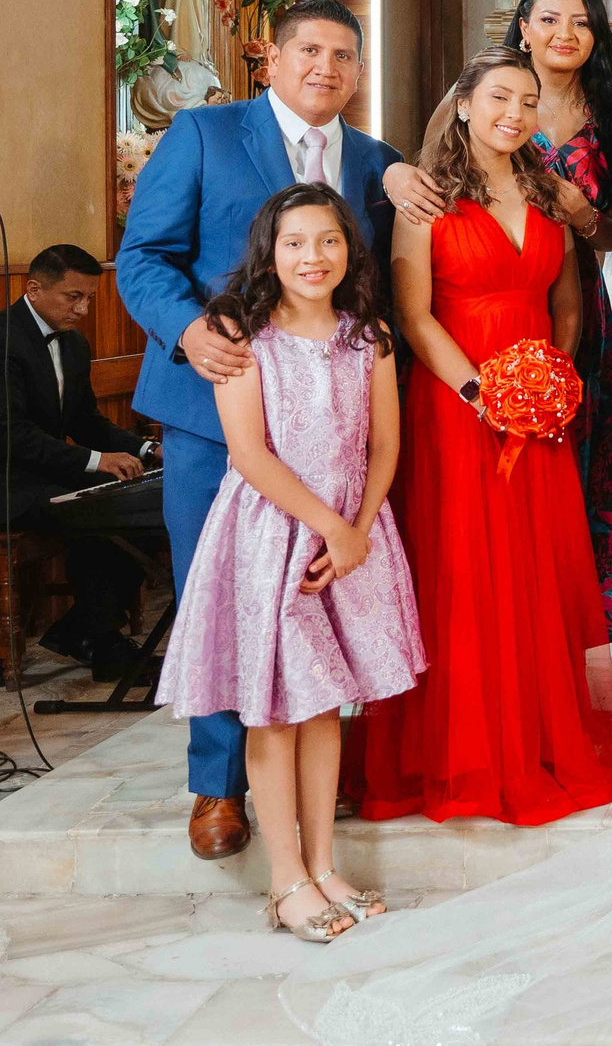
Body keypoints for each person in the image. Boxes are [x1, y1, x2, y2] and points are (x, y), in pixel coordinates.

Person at [119, 0, 441, 861]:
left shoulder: (378, 164)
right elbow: (142, 255)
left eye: (343, 54)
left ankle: (316, 785)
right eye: (308, 49)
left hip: (329, 431)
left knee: (319, 601)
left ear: (359, 70)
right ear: (272, 58)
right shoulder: (204, 132)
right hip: (215, 411)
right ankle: (218, 787)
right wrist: (189, 330)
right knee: (222, 597)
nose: (324, 67)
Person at [351, 47, 612, 825]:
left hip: (537, 414)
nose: (516, 112)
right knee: (465, 572)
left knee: (531, 570)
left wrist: (552, 378)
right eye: (501, 95)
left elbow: (567, 300)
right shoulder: (427, 199)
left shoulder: (548, 193)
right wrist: (483, 391)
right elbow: (413, 315)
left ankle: (535, 739)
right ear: (465, 102)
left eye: (529, 100)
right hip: (455, 406)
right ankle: (463, 751)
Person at [157, 184, 424, 941]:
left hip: (349, 537)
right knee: (277, 707)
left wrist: (359, 530)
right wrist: (327, 526)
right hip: (274, 531)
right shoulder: (243, 332)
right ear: (270, 252)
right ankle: (285, 880)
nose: (314, 256)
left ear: (351, 250)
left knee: (324, 705)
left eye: (329, 241)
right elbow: (249, 452)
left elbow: (385, 445)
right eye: (296, 242)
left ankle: (324, 863)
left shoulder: (366, 334)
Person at [440, 0, 612, 642]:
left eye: (581, 22)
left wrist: (586, 218)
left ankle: (578, 610)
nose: (565, 33)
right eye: (549, 18)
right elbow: (430, 178)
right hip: (490, 297)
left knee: (587, 456)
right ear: (522, 26)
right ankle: (504, 611)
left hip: (581, 304)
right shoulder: (483, 95)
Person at [0, 243, 150, 678]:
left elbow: (86, 420)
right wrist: (97, 461)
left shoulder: (73, 344)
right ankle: (98, 637)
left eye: (90, 297)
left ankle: (85, 630)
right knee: (101, 515)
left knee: (143, 512)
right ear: (33, 289)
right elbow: (10, 437)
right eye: (74, 297)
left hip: (42, 477)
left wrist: (145, 449)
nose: (84, 308)